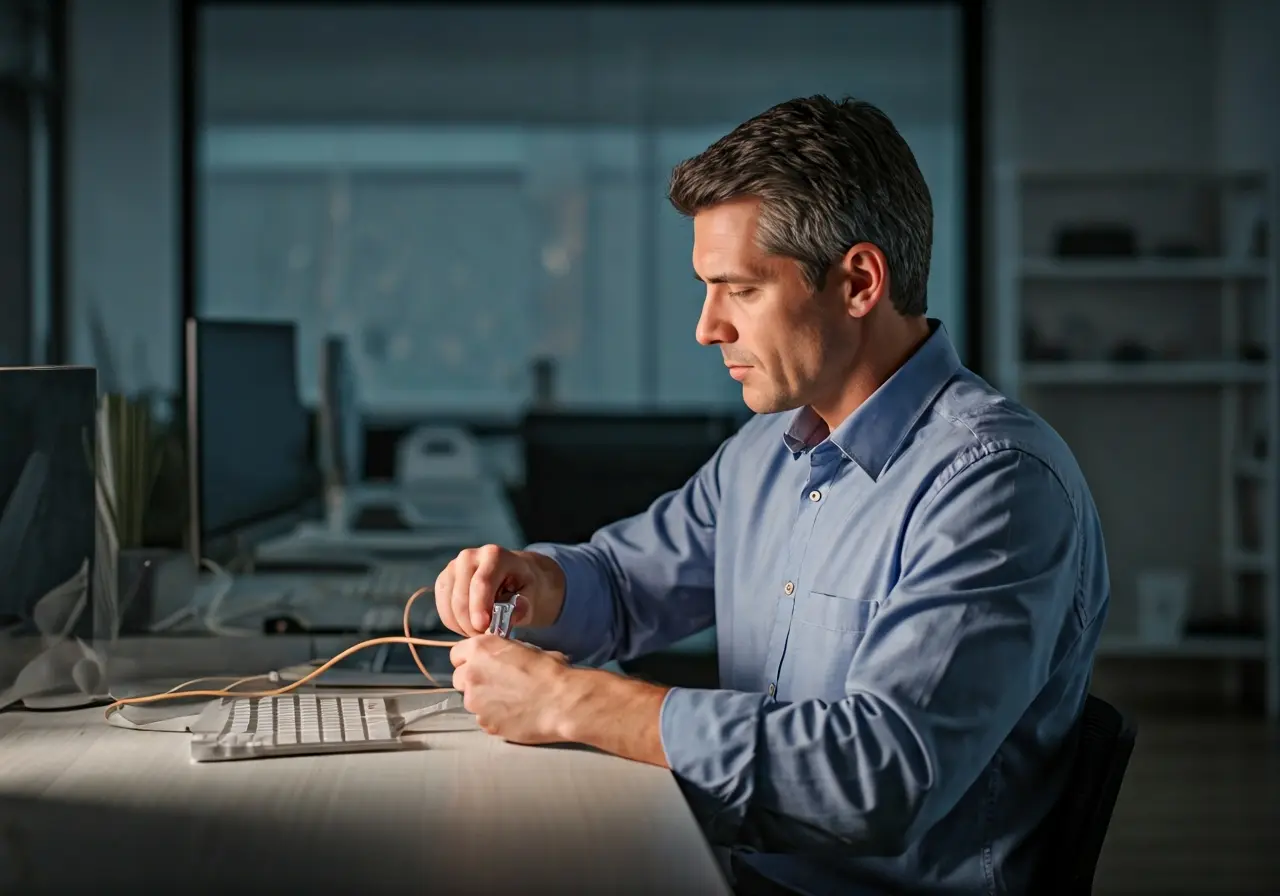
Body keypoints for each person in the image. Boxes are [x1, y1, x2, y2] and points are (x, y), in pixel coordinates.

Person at [438, 95, 1110, 896]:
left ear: (859, 281)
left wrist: (579, 704)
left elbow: (877, 775)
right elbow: (625, 584)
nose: (706, 327)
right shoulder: (767, 449)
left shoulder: (995, 483)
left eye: (740, 290)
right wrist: (540, 581)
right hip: (738, 868)